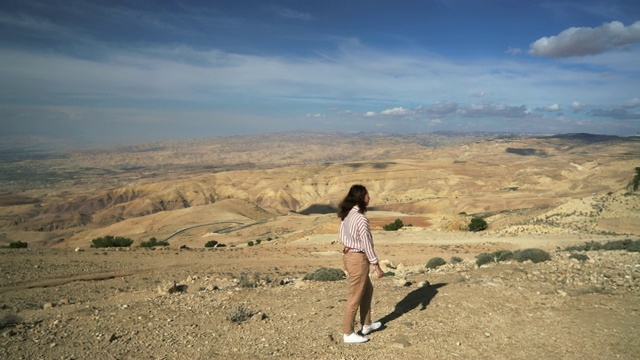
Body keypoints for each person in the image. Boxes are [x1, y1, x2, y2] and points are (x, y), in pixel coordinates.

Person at [338, 184, 385, 343]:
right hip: (358, 258)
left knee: (367, 290)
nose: (369, 198)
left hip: (349, 256)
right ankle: (348, 333)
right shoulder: (360, 218)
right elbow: (366, 243)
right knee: (355, 296)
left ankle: (367, 324)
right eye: (367, 195)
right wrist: (376, 265)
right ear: (361, 198)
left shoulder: (347, 214)